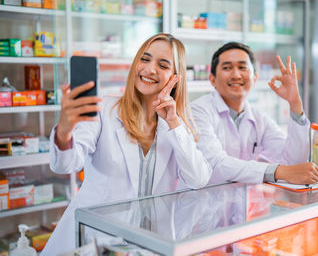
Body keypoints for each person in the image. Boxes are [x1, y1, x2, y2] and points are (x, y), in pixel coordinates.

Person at [41, 33, 212, 255]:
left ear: (176, 77)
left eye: (162, 64)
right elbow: (65, 165)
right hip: (93, 239)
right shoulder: (105, 111)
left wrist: (173, 122)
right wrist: (64, 130)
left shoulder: (175, 127)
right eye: (144, 59)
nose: (150, 69)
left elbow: (198, 179)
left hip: (146, 246)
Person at [191, 42, 318, 185]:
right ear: (212, 79)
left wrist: (295, 104)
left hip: (241, 203)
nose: (236, 74)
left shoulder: (260, 119)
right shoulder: (197, 111)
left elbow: (293, 163)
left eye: (242, 67)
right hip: (201, 203)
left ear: (255, 79)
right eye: (227, 68)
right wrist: (278, 172)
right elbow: (215, 163)